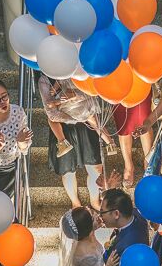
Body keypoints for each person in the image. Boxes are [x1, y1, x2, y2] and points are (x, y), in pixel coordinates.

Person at [37, 73, 110, 210]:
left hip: (87, 124)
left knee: (96, 168)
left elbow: (92, 93)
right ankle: (75, 203)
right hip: (65, 127)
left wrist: (74, 96)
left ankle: (95, 201)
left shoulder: (80, 70)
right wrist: (79, 116)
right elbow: (51, 113)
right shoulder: (45, 80)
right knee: (68, 171)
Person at [113, 98, 155, 188]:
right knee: (122, 121)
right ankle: (128, 166)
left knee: (144, 118)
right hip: (119, 91)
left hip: (140, 90)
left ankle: (148, 160)